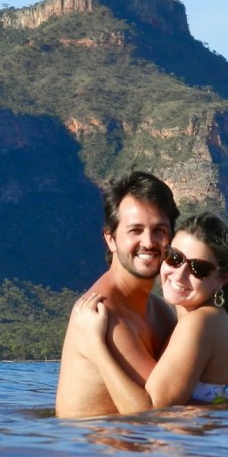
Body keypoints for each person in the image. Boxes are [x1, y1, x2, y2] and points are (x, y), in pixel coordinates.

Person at [72, 211, 228, 411]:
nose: (180, 274)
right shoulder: (201, 320)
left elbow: (150, 412)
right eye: (174, 257)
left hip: (194, 442)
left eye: (198, 269)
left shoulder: (201, 322)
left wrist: (96, 346)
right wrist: (214, 404)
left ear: (223, 279)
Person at [54, 171, 180, 419]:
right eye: (135, 230)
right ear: (111, 239)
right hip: (100, 453)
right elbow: (159, 407)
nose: (148, 242)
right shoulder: (103, 312)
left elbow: (184, 385)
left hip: (137, 448)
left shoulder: (161, 312)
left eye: (159, 230)